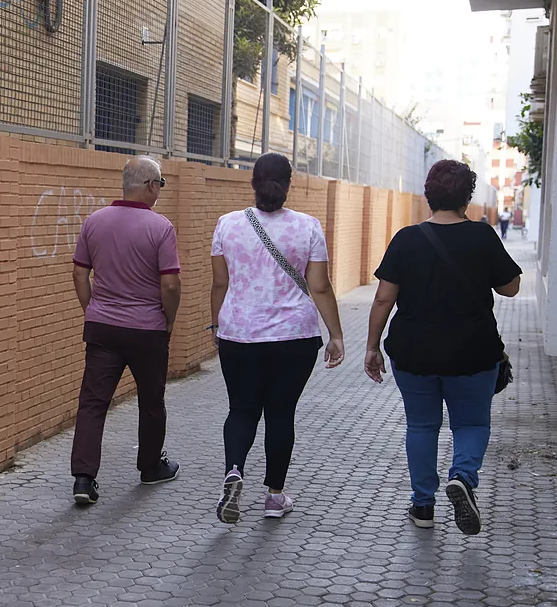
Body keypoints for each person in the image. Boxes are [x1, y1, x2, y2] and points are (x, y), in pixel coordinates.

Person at [365, 160, 522, 535]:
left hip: (413, 352)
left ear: (428, 196)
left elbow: (384, 298)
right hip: (473, 352)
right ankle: (463, 478)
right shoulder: (482, 236)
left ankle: (422, 506)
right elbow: (511, 287)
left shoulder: (406, 239)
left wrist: (372, 347)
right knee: (471, 423)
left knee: (421, 426)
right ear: (467, 197)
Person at [210, 153, 345, 523]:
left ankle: (234, 470)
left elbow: (220, 283)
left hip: (239, 334)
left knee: (241, 409)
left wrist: (216, 326)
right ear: (289, 184)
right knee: (281, 413)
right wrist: (335, 334)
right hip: (294, 337)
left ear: (252, 182)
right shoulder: (308, 227)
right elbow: (320, 287)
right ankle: (274, 496)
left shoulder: (227, 225)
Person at [69, 156, 182, 505]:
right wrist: (168, 320)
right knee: (151, 401)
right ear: (151, 186)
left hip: (103, 328)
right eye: (160, 184)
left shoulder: (94, 221)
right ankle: (150, 467)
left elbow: (79, 274)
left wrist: (93, 310)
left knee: (93, 402)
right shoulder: (161, 228)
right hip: (147, 329)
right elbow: (170, 285)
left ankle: (84, 478)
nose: (160, 190)